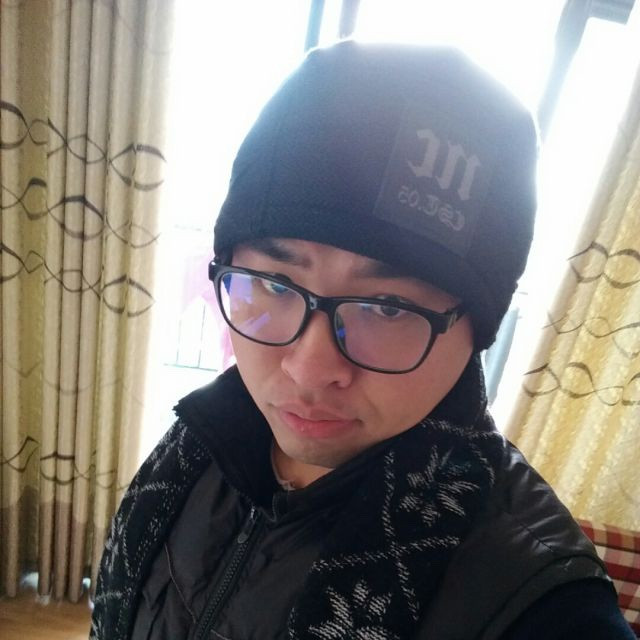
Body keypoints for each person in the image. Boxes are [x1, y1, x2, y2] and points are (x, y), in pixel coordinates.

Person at [90, 41, 635, 639]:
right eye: (273, 283)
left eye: (387, 308)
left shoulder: (539, 603)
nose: (307, 368)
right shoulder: (203, 436)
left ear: (476, 328)